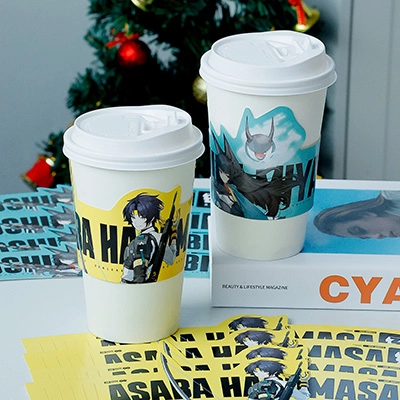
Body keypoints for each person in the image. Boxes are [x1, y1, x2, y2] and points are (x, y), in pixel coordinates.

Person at [121, 193, 176, 283]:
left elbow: (139, 276)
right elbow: (171, 259)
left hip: (131, 286)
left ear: (152, 217)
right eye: (133, 217)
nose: (136, 222)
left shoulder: (141, 241)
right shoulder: (159, 237)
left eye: (141, 217)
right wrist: (173, 238)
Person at [314, 191, 400, 239]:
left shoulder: (393, 192)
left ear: (365, 214)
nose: (377, 237)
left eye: (359, 230)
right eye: (364, 237)